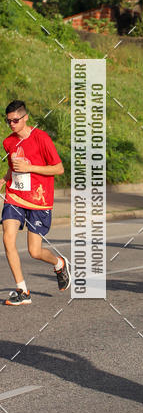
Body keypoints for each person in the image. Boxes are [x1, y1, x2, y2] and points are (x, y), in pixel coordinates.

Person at [1, 100, 70, 304]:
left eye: (15, 120)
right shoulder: (8, 142)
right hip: (15, 196)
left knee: (35, 251)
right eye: (8, 121)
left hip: (39, 200)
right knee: (7, 238)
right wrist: (3, 180)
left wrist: (30, 168)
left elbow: (58, 168)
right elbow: (13, 167)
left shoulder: (41, 138)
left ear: (26, 118)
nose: (12, 124)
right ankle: (22, 291)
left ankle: (59, 263)